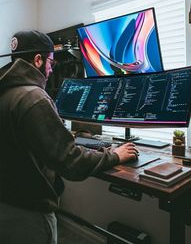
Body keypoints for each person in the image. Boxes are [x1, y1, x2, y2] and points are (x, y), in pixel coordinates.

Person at [0, 30, 138, 244]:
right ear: (38, 60)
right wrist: (114, 155)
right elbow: (70, 161)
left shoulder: (6, 91)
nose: (49, 70)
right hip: (28, 212)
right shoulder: (33, 97)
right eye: (50, 63)